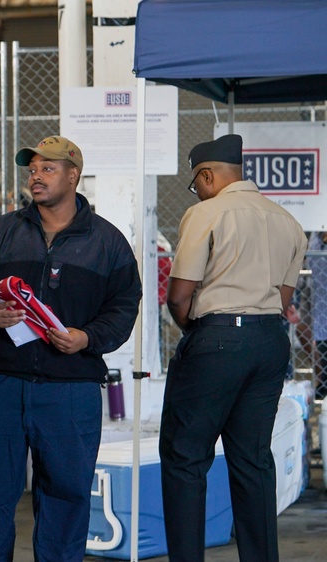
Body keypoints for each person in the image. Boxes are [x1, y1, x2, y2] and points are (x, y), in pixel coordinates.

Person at [0, 135, 142, 561]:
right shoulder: (1, 232)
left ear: (73, 175)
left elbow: (124, 306)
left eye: (48, 169)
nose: (36, 177)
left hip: (69, 390)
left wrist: (87, 338)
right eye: (33, 169)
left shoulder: (107, 243)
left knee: (66, 500)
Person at [161, 133, 306, 562]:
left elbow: (178, 293)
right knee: (253, 460)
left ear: (207, 175)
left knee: (185, 457)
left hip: (217, 338)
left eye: (196, 182)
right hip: (268, 342)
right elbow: (283, 300)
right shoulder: (286, 219)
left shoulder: (206, 212)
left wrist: (198, 330)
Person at [307, 231, 327, 399]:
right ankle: (324, 382)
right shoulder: (316, 236)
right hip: (321, 302)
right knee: (322, 346)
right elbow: (312, 257)